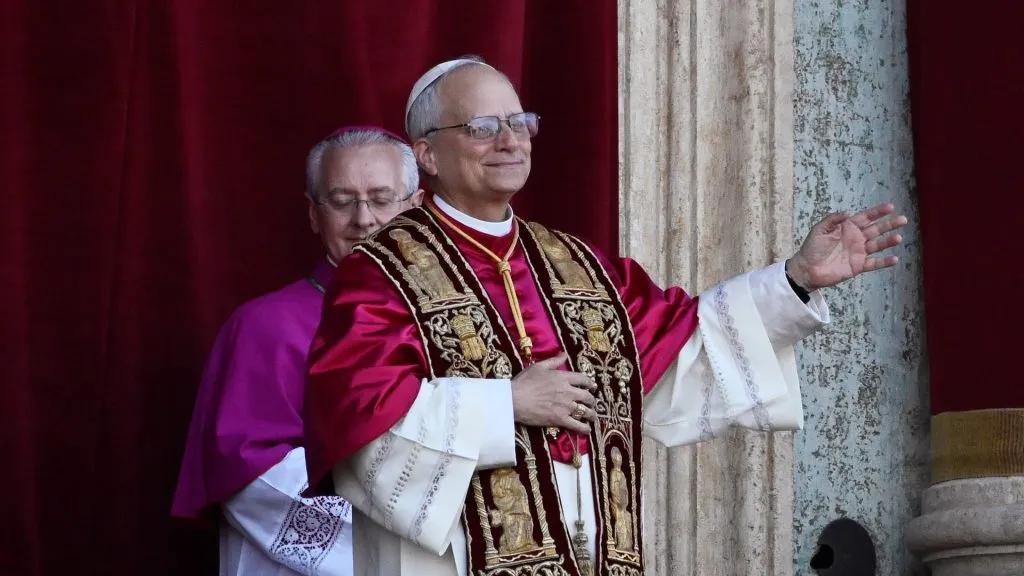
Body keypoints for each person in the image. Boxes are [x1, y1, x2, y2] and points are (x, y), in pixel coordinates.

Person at [302, 57, 908, 576]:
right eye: (484, 127)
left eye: (520, 123)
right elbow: (363, 429)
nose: (511, 141)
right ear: (427, 153)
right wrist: (504, 405)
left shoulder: (577, 264)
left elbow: (683, 349)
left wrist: (796, 277)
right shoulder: (381, 272)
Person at [171, 126, 423, 576]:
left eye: (382, 198)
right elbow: (252, 477)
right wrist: (404, 542)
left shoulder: (453, 320)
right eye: (342, 200)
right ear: (313, 214)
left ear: (416, 208)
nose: (363, 219)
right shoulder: (264, 326)